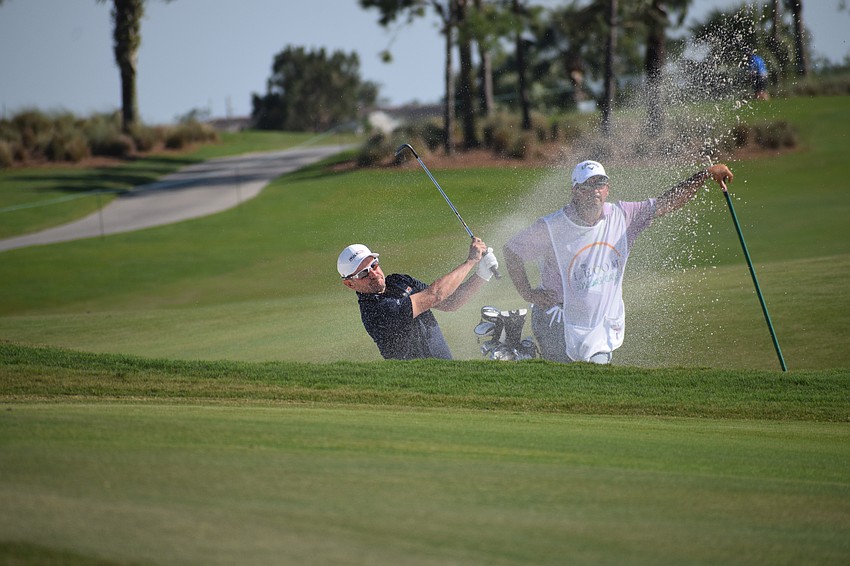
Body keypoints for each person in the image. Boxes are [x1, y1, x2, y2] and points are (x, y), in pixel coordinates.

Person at [503, 159, 734, 364]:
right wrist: (529, 294)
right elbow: (512, 251)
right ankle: (522, 351)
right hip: (557, 320)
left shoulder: (623, 216)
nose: (595, 190)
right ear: (575, 191)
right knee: (560, 385)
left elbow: (667, 202)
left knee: (595, 383)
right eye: (587, 185)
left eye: (600, 184)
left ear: (607, 190)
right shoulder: (552, 226)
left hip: (600, 326)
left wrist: (705, 174)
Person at [338, 238, 499, 360]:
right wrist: (471, 261)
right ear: (349, 284)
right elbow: (435, 295)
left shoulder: (399, 280)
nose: (373, 274)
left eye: (373, 265)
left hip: (447, 371)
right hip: (419, 382)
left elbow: (450, 302)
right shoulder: (375, 311)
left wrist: (482, 275)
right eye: (363, 273)